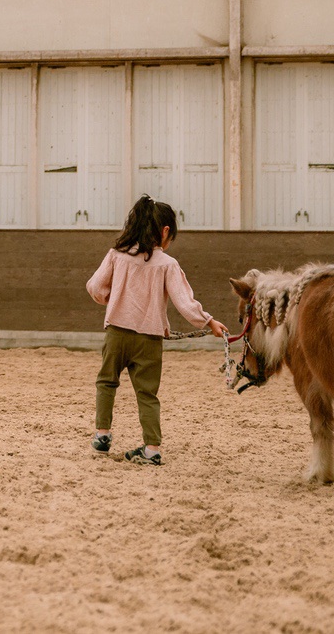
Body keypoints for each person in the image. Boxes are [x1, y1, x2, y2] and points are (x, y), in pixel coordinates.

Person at [85, 195, 227, 465]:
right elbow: (185, 303)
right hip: (149, 340)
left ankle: (103, 434)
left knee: (106, 382)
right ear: (164, 232)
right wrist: (209, 322)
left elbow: (94, 286)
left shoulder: (117, 255)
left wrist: (111, 298)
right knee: (147, 394)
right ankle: (151, 449)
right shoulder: (167, 265)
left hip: (116, 332)